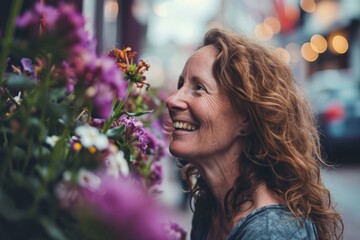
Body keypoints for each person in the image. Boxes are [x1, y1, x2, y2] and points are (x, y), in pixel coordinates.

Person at [165, 28, 344, 240]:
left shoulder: (271, 233)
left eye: (199, 88)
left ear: (246, 118)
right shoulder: (211, 206)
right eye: (180, 85)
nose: (172, 99)